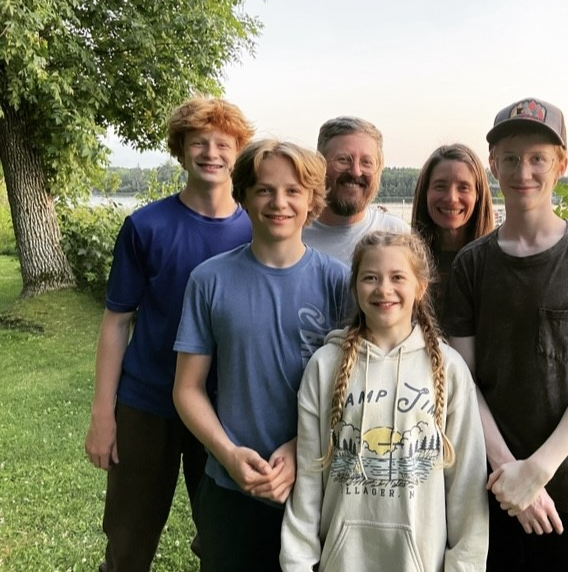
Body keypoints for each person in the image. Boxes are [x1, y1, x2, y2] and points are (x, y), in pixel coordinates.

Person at [444, 98, 568, 572]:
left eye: (538, 158)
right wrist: (507, 470)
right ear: (493, 165)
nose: (523, 171)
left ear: (561, 164)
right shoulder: (472, 265)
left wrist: (538, 470)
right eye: (510, 159)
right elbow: (462, 380)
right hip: (493, 486)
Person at [84, 96, 254, 572]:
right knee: (128, 539)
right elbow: (118, 321)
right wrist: (103, 414)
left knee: (221, 540)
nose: (211, 153)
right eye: (198, 142)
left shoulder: (256, 228)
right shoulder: (145, 226)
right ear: (180, 151)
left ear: (239, 151)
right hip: (147, 404)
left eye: (223, 143)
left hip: (223, 408)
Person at [173, 139, 352, 571]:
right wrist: (228, 455)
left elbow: (355, 390)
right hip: (233, 488)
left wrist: (300, 448)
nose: (279, 202)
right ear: (244, 197)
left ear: (312, 200)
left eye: (293, 190)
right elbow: (188, 389)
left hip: (320, 488)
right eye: (265, 190)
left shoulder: (340, 283)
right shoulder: (209, 280)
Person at [280, 231, 489, 572]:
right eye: (370, 278)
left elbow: (466, 484)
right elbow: (308, 477)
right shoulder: (324, 366)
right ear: (355, 287)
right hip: (342, 561)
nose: (383, 289)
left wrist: (464, 565)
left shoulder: (450, 370)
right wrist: (298, 562)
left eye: (397, 278)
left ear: (420, 286)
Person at [302, 116, 408, 264]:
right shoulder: (292, 233)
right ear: (319, 165)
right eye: (343, 159)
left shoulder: (397, 234)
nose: (356, 171)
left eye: (366, 162)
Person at [410, 144, 495, 323]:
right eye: (440, 186)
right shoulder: (407, 262)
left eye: (463, 187)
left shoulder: (496, 261)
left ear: (478, 195)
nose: (451, 198)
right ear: (425, 193)